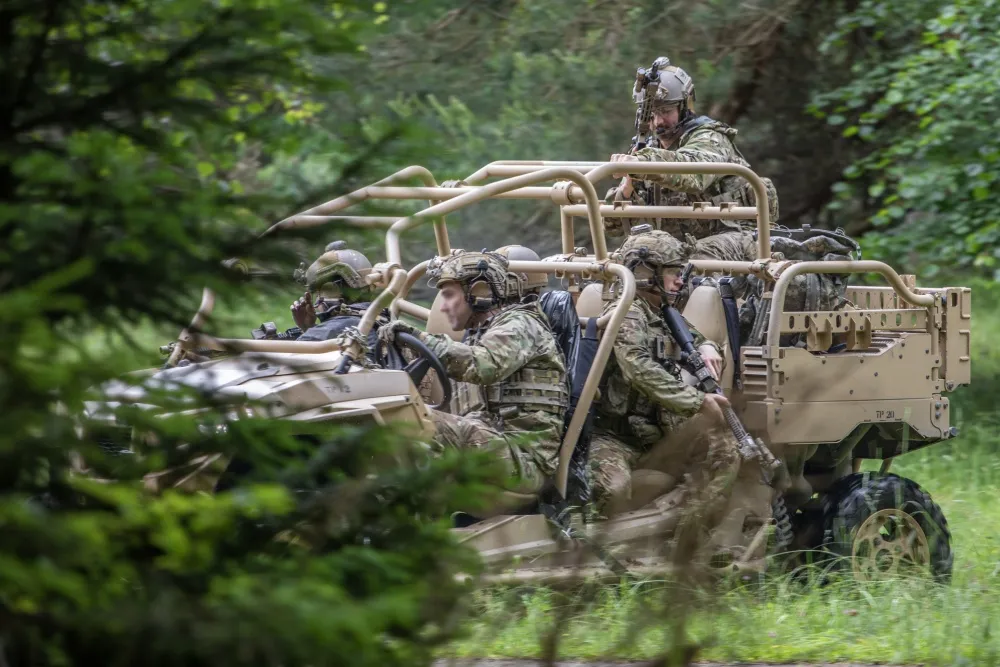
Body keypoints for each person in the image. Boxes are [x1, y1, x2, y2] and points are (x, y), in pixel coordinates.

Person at [377, 251, 569, 499]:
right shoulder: (480, 334)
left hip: (525, 460)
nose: (442, 307)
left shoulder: (521, 324)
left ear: (480, 293)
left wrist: (420, 337)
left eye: (448, 295)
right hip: (498, 446)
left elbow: (482, 364)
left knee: (412, 421)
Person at [589, 230, 740, 527]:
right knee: (611, 491)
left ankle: (683, 526)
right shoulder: (629, 312)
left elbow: (689, 335)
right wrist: (697, 401)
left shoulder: (658, 311)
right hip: (614, 436)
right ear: (646, 274)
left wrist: (706, 345)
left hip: (656, 435)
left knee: (725, 451)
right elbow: (638, 367)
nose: (680, 281)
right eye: (673, 273)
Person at [605, 57, 779, 264]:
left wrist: (641, 163)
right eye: (651, 113)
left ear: (684, 107)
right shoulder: (646, 152)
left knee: (691, 261)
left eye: (666, 111)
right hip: (678, 248)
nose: (658, 121)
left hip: (739, 236)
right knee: (630, 258)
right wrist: (626, 191)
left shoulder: (711, 138)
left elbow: (693, 174)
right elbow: (612, 228)